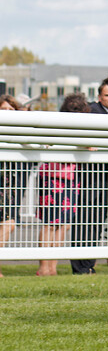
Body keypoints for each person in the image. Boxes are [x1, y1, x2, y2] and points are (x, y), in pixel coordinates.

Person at [42, 93, 89, 275]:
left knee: (64, 224)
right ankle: (44, 267)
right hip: (52, 177)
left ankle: (52, 267)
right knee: (50, 223)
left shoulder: (80, 127)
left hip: (69, 178)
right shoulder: (57, 123)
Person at [0, 94, 23, 277]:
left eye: (11, 109)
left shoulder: (20, 129)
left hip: (11, 184)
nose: (7, 113)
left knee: (9, 224)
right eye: (4, 109)